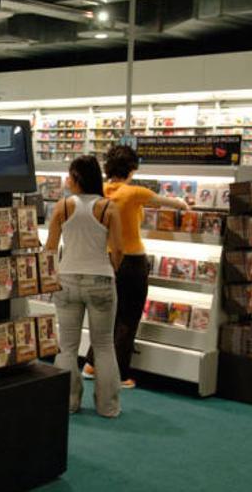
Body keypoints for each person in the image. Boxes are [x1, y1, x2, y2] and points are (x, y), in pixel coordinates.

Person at [83, 145, 189, 389]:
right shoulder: (133, 192)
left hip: (105, 259)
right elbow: (175, 203)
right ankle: (119, 375)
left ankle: (91, 364)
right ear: (132, 168)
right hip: (131, 261)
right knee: (127, 318)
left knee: (107, 316)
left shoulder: (99, 192)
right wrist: (185, 205)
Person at [46, 155, 124, 417]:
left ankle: (67, 402)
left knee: (67, 346)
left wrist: (53, 273)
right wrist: (111, 267)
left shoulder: (63, 207)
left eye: (69, 175)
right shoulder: (108, 208)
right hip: (100, 279)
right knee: (103, 345)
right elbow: (119, 250)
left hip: (67, 279)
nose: (67, 180)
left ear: (77, 178)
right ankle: (108, 406)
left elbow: (50, 247)